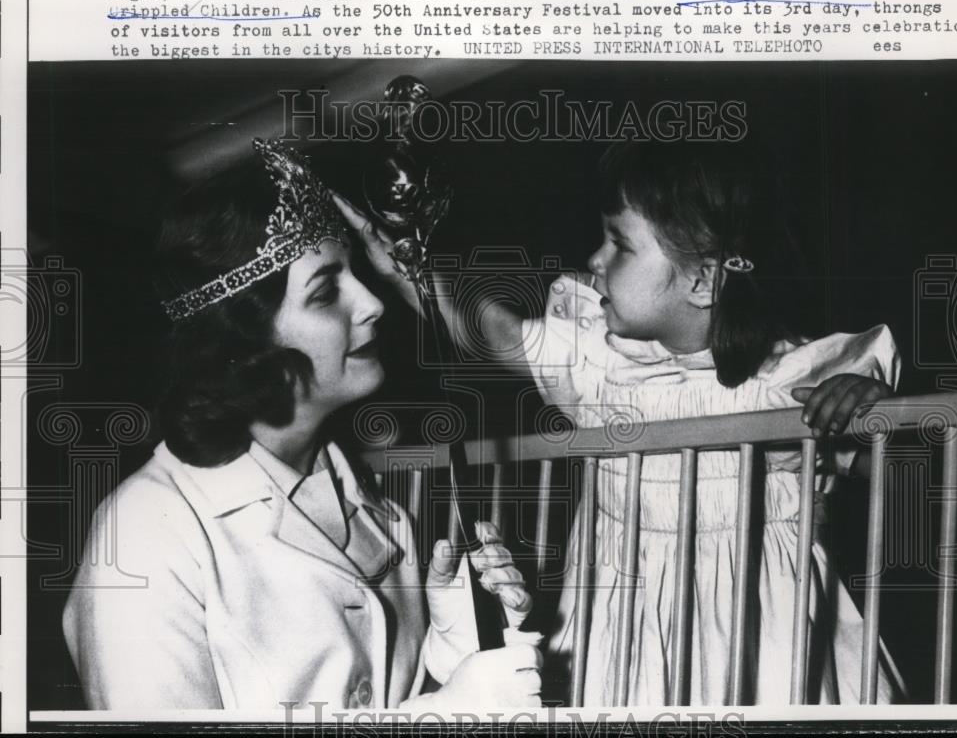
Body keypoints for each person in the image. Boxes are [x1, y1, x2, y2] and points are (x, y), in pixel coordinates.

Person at [335, 139, 906, 705]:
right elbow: (493, 333)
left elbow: (896, 459)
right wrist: (403, 266)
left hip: (763, 641)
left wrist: (866, 403)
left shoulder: (785, 383)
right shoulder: (599, 364)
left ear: (703, 282)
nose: (595, 260)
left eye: (619, 245)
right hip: (621, 637)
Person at [63, 139, 542, 712]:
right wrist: (439, 718)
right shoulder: (144, 537)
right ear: (243, 341)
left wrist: (454, 649)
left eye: (356, 274)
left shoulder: (380, 513)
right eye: (325, 292)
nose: (372, 304)